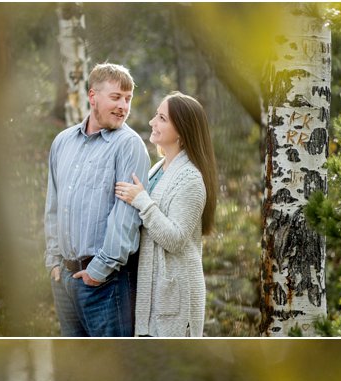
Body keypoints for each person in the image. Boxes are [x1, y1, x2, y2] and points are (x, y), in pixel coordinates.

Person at [45, 62, 151, 337]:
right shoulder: (62, 142)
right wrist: (54, 262)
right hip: (65, 281)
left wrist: (99, 271)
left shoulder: (129, 145)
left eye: (128, 99)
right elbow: (53, 206)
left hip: (107, 284)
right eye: (116, 97)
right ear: (93, 96)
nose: (123, 106)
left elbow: (126, 216)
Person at [115, 92, 218, 336]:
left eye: (162, 118)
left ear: (181, 131)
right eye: (156, 116)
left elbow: (175, 239)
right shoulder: (159, 168)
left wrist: (141, 201)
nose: (153, 122)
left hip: (175, 299)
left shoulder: (190, 178)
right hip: (152, 293)